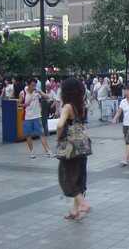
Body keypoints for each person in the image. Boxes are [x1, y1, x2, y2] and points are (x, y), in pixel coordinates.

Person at [56, 78, 91, 221]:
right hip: (82, 148)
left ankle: (84, 205)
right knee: (78, 179)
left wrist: (58, 138)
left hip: (70, 150)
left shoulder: (67, 107)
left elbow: (60, 125)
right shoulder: (79, 106)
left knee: (66, 179)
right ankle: (75, 210)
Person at [18, 77, 55, 158]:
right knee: (28, 135)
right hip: (27, 117)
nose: (33, 87)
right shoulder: (22, 93)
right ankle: (32, 151)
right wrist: (25, 104)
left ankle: (47, 150)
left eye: (34, 85)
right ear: (27, 85)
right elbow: (19, 104)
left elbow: (47, 98)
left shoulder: (36, 91)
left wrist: (41, 92)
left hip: (37, 116)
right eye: (32, 85)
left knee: (41, 134)